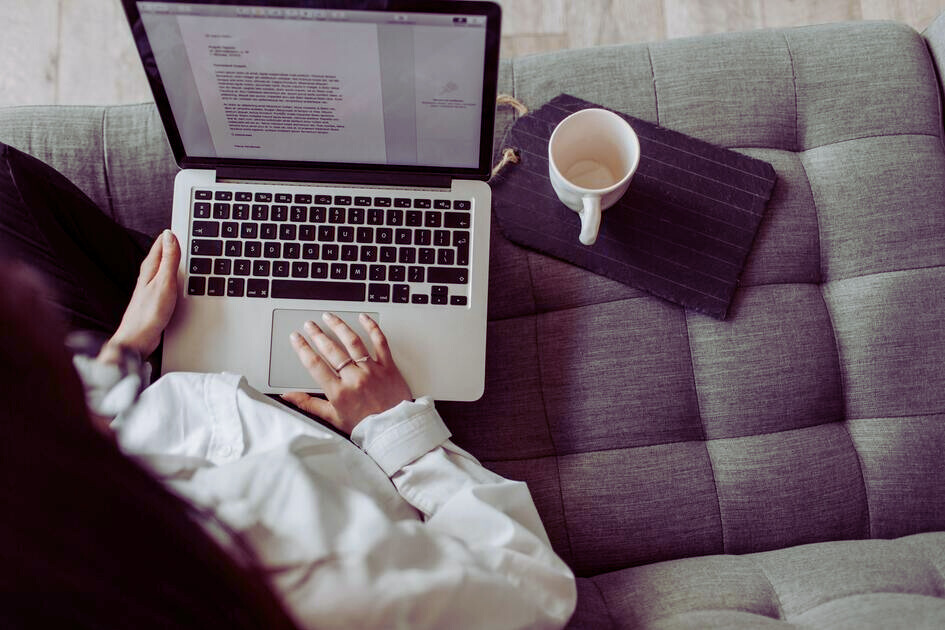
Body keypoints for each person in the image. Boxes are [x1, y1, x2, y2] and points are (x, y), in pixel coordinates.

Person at [0, 142, 577, 629]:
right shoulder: (320, 571)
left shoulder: (41, 520)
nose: (79, 361)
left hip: (154, 384)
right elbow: (538, 593)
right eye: (64, 357)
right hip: (316, 423)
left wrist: (123, 351)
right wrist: (397, 427)